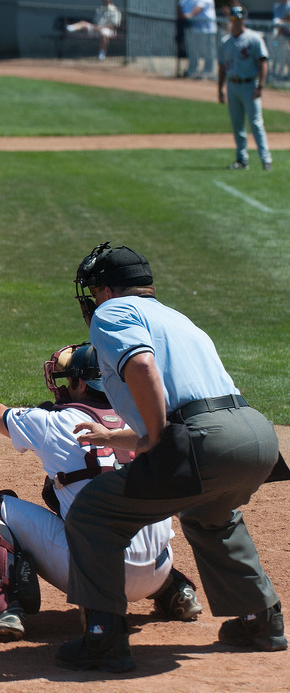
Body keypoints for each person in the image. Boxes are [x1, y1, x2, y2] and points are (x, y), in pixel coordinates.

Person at [59, 242, 287, 672]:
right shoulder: (179, 319)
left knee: (93, 513)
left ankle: (103, 638)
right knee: (210, 513)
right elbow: (189, 403)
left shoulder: (113, 312)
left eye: (93, 292)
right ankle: (261, 619)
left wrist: (155, 437)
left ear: (107, 290)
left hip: (205, 439)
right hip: (255, 435)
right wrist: (119, 435)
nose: (92, 301)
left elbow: (142, 369)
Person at [0, 344, 201, 642]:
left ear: (80, 383)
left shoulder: (53, 422)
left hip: (97, 577)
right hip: (157, 569)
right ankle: (175, 589)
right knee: (87, 495)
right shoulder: (148, 423)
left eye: (68, 379)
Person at [218, 5, 273, 170]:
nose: (237, 23)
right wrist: (220, 89)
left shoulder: (254, 38)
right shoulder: (225, 42)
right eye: (234, 20)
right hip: (232, 86)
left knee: (256, 124)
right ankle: (242, 160)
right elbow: (221, 67)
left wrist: (260, 86)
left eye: (240, 20)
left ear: (244, 21)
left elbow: (263, 62)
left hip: (250, 85)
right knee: (237, 125)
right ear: (231, 21)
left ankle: (266, 160)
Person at [179, 0, 218, 78]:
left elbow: (199, 7)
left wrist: (189, 15)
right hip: (193, 29)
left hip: (207, 30)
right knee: (193, 51)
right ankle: (192, 70)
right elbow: (180, 6)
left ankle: (207, 72)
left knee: (208, 52)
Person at [272, 0, 290, 80]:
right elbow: (276, 21)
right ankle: (275, 74)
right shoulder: (277, 6)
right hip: (280, 39)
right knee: (277, 56)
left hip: (287, 39)